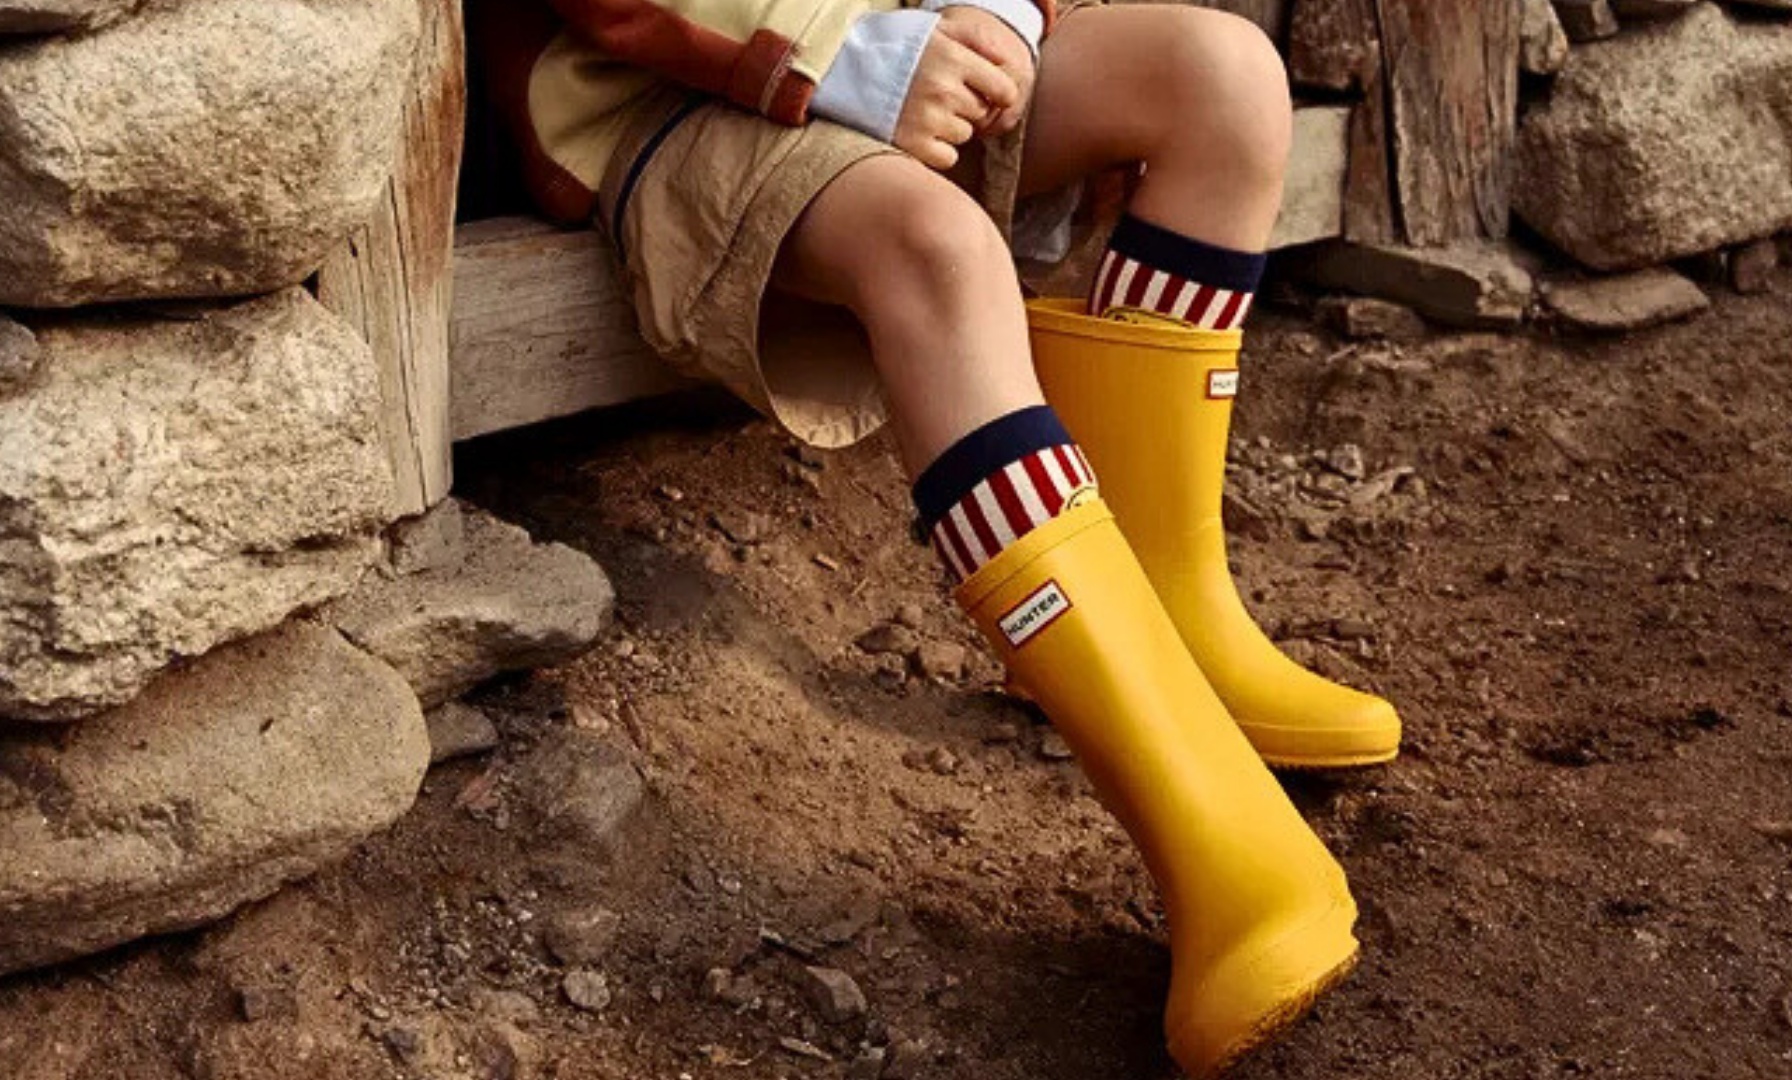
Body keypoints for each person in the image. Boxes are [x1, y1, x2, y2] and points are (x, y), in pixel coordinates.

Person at [473, 0, 1403, 1071]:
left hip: (916, 51)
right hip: (660, 90)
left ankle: (1169, 623)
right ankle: (1220, 841)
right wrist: (841, 56)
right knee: (942, 249)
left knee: (1224, 77)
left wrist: (1006, 14)